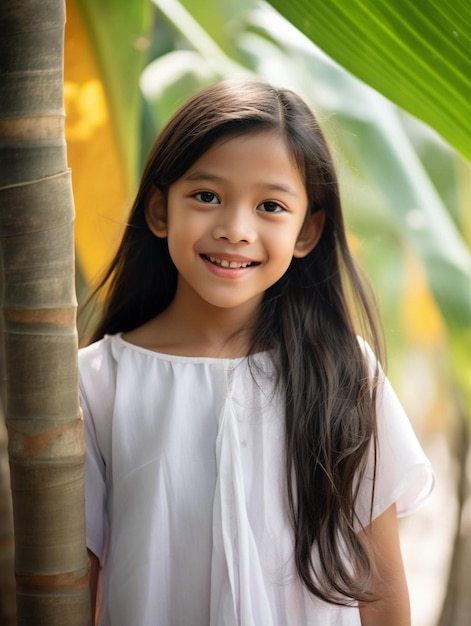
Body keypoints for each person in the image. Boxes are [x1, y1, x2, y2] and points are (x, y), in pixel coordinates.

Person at [79, 79, 434, 626]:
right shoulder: (99, 382)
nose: (235, 229)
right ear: (159, 210)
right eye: (206, 196)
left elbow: (381, 592)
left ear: (307, 231)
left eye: (270, 205)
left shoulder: (344, 372)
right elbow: (79, 588)